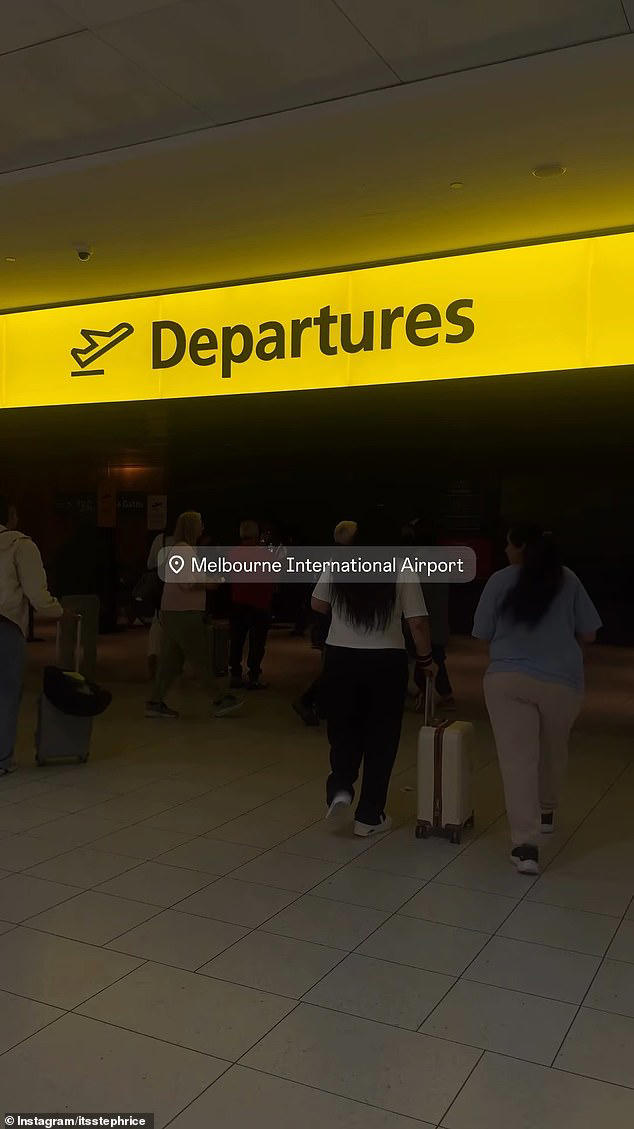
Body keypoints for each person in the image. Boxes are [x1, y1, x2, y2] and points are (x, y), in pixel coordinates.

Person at [473, 523, 601, 875]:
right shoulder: (568, 579)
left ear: (520, 547)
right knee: (553, 749)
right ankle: (546, 810)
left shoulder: (499, 580)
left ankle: (525, 846)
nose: (504, 551)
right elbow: (589, 633)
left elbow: (482, 632)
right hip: (562, 681)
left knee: (518, 762)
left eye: (508, 544)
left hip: (508, 678)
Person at [312, 517, 434, 836]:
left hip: (340, 656)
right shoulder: (401, 567)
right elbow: (417, 623)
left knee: (343, 725)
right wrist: (426, 660)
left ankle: (340, 785)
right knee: (382, 736)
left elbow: (317, 603)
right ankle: (369, 815)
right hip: (385, 660)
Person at [145, 511, 242, 719]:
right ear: (192, 528)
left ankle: (155, 701)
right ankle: (220, 698)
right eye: (200, 524)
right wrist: (211, 583)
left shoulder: (180, 550)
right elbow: (187, 582)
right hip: (184, 613)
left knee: (171, 662)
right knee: (200, 658)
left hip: (174, 611)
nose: (203, 528)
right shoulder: (184, 551)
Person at [0, 496, 65, 776]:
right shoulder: (20, 545)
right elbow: (37, 595)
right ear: (11, 515)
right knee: (5, 693)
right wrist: (60, 611)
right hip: (5, 625)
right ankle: (2, 758)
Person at [293, 518, 358, 727]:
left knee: (332, 668)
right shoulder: (344, 562)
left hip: (327, 624)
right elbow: (319, 601)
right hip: (333, 625)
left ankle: (319, 705)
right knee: (333, 669)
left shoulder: (331, 560)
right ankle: (309, 702)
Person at [229, 519, 274, 690]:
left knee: (237, 640)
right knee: (257, 642)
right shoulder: (265, 555)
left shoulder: (233, 553)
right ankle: (253, 675)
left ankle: (235, 674)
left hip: (238, 603)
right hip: (260, 604)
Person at [146, 524, 175, 680]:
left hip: (162, 587)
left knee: (158, 623)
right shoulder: (188, 541)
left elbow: (150, 564)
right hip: (182, 589)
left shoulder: (161, 539)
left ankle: (154, 655)